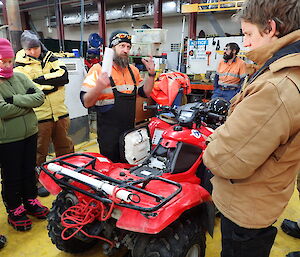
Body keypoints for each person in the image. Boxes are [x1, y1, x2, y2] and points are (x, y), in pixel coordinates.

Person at [203, 0, 300, 256]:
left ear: (270, 28)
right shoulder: (286, 69)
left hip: (246, 206)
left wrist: (210, 146)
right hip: (268, 194)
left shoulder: (277, 87)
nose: (245, 43)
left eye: (248, 34)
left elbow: (226, 161)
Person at [14, 30, 74, 197]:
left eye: (35, 47)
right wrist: (53, 84)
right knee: (39, 152)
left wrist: (41, 81)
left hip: (60, 113)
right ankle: (39, 181)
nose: (33, 52)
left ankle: (67, 176)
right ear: (24, 50)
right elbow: (30, 90)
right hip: (39, 117)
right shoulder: (20, 66)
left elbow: (64, 76)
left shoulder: (51, 58)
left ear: (40, 45)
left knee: (65, 147)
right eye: (29, 49)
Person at [80, 30, 155, 162]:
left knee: (129, 167)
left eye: (128, 47)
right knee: (110, 171)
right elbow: (86, 102)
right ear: (112, 48)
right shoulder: (98, 70)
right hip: (109, 136)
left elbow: (145, 93)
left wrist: (151, 74)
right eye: (122, 46)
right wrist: (99, 86)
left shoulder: (133, 71)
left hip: (130, 134)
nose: (126, 50)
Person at [0, 38, 49, 231]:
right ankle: (15, 209)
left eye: (9, 60)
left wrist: (16, 100)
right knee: (12, 175)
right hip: (7, 139)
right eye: (2, 61)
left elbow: (40, 97)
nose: (7, 64)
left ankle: (30, 201)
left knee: (29, 170)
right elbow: (2, 110)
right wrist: (27, 106)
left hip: (30, 133)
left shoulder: (20, 77)